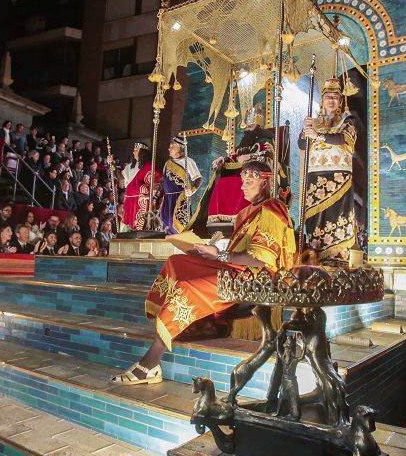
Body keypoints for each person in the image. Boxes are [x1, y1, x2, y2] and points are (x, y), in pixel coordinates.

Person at [112, 161, 296, 385]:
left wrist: (217, 255)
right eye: (243, 182)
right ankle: (196, 323)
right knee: (177, 262)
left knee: (187, 288)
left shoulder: (272, 209)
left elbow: (259, 259)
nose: (243, 187)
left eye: (250, 182)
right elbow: (237, 254)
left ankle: (150, 364)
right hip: (237, 269)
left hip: (258, 278)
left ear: (266, 183)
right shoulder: (245, 212)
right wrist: (205, 253)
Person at [188, 102, 276, 236]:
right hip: (241, 176)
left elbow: (268, 157)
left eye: (250, 126)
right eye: (246, 127)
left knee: (236, 184)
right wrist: (223, 159)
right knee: (222, 183)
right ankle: (220, 222)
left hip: (256, 178)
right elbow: (234, 156)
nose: (247, 130)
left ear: (258, 127)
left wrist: (250, 156)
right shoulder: (244, 143)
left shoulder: (265, 141)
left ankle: (243, 218)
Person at [298, 78, 359, 263]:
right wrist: (305, 128)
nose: (331, 100)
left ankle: (338, 258)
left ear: (340, 101)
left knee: (337, 216)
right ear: (322, 100)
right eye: (328, 97)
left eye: (335, 97)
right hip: (314, 176)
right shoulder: (314, 122)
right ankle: (316, 257)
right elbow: (302, 144)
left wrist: (318, 135)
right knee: (315, 219)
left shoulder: (347, 120)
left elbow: (343, 139)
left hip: (338, 177)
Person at [159, 136, 202, 235]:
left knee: (179, 224)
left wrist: (192, 190)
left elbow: (198, 179)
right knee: (166, 223)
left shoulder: (188, 162)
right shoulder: (167, 163)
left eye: (172, 147)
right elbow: (164, 180)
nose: (169, 149)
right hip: (167, 198)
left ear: (180, 148)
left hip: (180, 198)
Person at [118, 143, 156, 231]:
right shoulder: (129, 166)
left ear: (142, 152)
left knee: (139, 223)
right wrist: (112, 165)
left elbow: (152, 184)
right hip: (129, 198)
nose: (133, 152)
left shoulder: (149, 167)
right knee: (127, 223)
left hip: (140, 199)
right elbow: (121, 179)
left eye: (136, 150)